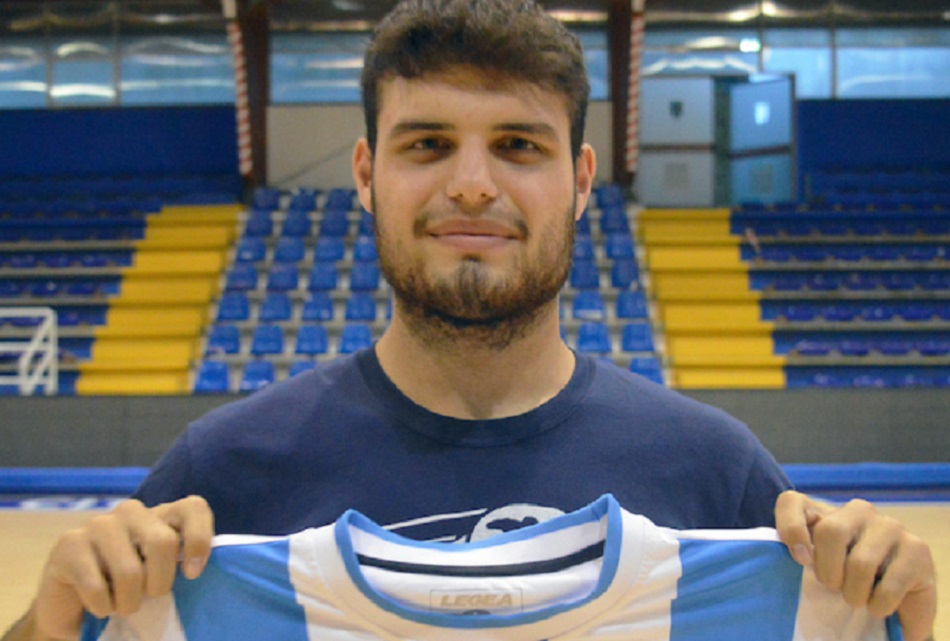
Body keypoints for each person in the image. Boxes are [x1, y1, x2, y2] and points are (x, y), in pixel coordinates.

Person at [4, 1, 936, 640]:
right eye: (429, 144)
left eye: (519, 145)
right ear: (366, 175)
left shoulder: (715, 471)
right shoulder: (223, 473)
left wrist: (895, 607)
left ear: (581, 181)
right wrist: (50, 621)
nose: (474, 183)